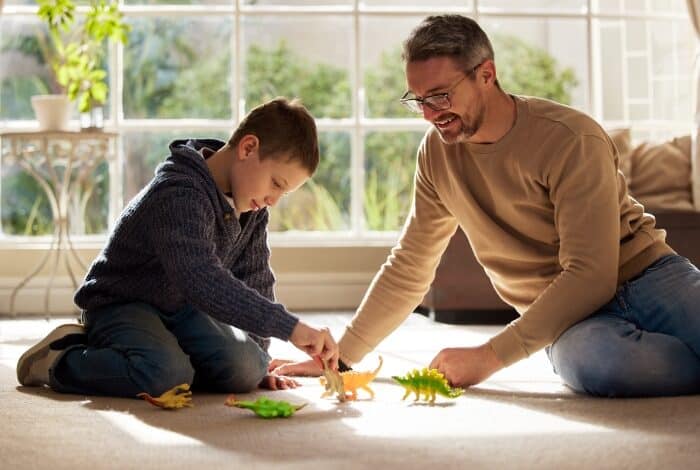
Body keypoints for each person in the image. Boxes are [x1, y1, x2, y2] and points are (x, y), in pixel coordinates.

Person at [272, 15, 700, 397]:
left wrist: (488, 356)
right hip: (568, 321)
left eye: (439, 96)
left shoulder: (570, 138)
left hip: (649, 277)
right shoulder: (436, 156)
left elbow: (592, 275)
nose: (428, 114)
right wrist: (341, 357)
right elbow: (410, 265)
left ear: (486, 75)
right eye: (417, 99)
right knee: (600, 366)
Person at [17, 97, 339, 398]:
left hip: (183, 309)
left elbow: (254, 278)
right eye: (276, 184)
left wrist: (259, 357)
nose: (273, 200)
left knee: (248, 368)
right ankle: (63, 360)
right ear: (248, 147)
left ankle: (167, 357)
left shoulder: (253, 208)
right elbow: (201, 279)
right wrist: (290, 327)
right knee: (165, 374)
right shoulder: (180, 192)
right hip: (122, 303)